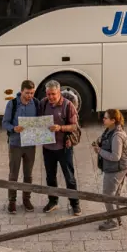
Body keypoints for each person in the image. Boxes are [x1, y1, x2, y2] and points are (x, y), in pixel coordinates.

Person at [39, 80, 80, 215]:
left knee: (69, 178)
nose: (51, 97)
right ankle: (53, 201)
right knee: (50, 177)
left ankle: (75, 204)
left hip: (64, 148)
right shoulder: (43, 103)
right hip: (47, 148)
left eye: (53, 94)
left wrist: (60, 128)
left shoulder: (68, 105)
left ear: (59, 93)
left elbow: (74, 126)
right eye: (48, 94)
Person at [1, 79, 39, 214]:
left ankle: (26, 200)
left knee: (28, 175)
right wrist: (14, 128)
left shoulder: (36, 103)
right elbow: (4, 123)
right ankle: (12, 201)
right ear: (21, 91)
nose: (30, 96)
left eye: (32, 93)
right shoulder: (12, 104)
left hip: (30, 145)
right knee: (13, 174)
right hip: (15, 144)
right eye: (27, 93)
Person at [92, 109, 127, 231]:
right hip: (117, 168)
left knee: (107, 196)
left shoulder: (117, 136)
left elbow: (115, 156)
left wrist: (100, 151)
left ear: (113, 120)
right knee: (115, 196)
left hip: (115, 170)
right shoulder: (110, 130)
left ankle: (112, 222)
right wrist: (99, 142)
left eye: (106, 118)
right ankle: (117, 219)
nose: (103, 119)